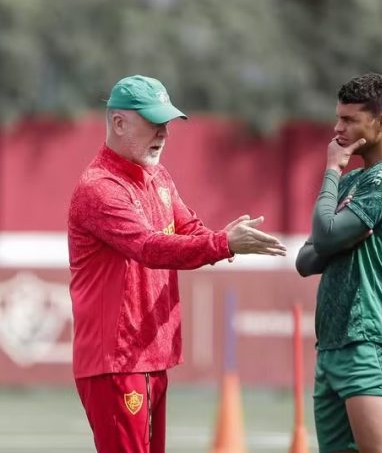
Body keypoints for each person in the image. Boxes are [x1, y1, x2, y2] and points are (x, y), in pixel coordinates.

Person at [67, 74, 287, 453]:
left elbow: (189, 229)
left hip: (149, 355)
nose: (163, 133)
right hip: (116, 361)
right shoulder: (99, 188)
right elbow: (149, 248)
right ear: (118, 123)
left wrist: (224, 237)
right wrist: (223, 243)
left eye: (166, 123)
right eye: (153, 122)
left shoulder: (158, 177)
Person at [296, 72, 382, 453]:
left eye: (350, 119)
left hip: (372, 342)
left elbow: (323, 237)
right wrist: (335, 236)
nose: (337, 128)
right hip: (333, 345)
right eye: (338, 117)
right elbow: (306, 258)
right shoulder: (355, 184)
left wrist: (332, 171)